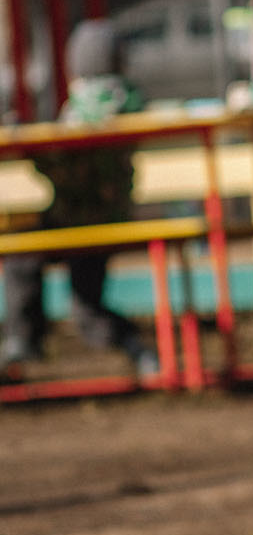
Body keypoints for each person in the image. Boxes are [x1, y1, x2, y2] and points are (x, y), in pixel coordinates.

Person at [2, 19, 155, 378]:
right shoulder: (130, 100)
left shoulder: (86, 107)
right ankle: (139, 350)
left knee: (21, 257)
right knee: (85, 306)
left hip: (78, 216)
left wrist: (29, 147)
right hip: (110, 216)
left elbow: (69, 168)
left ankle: (22, 342)